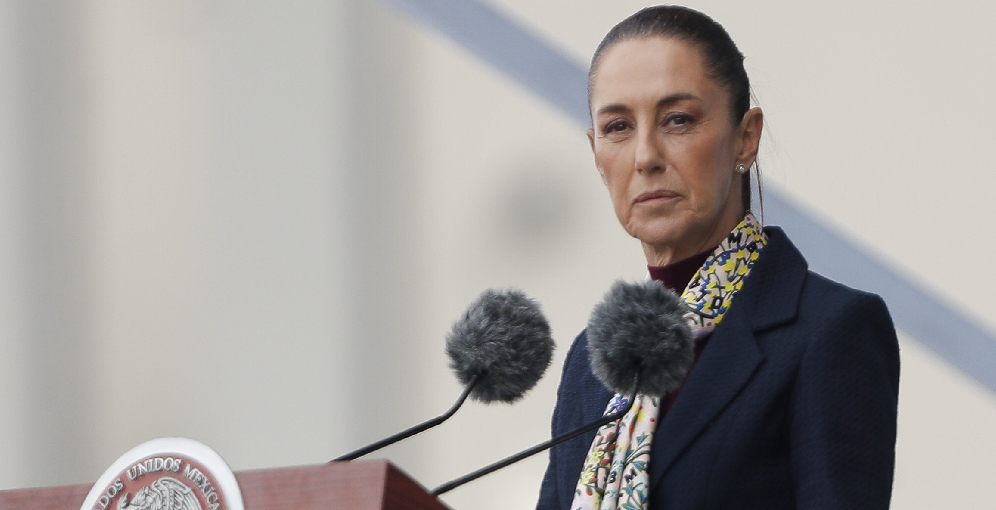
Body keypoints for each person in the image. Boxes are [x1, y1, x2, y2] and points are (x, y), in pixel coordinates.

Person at [536, 6, 900, 510]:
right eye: (618, 126)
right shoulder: (591, 362)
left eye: (678, 120)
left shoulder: (830, 330)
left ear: (746, 138)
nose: (645, 156)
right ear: (595, 152)